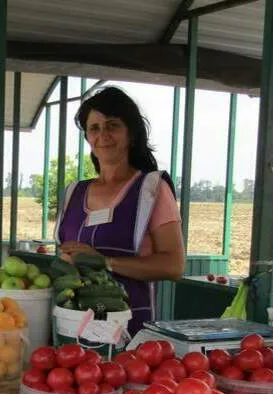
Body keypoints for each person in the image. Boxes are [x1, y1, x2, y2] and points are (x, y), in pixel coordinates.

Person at [55, 87, 186, 336]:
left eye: (112, 126)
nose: (103, 135)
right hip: (72, 328)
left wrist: (104, 261)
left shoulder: (151, 189)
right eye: (94, 128)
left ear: (131, 134)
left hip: (130, 330)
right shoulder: (73, 193)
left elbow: (174, 266)